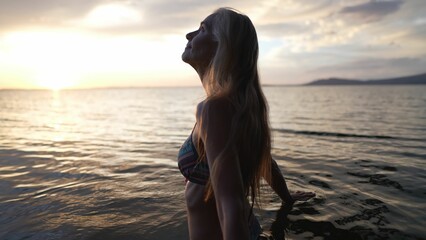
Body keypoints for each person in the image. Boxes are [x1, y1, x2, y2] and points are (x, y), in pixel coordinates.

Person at [177, 7, 315, 240]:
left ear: (224, 47)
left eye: (202, 29)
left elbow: (231, 205)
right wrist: (287, 198)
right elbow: (265, 161)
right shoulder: (233, 108)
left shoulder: (214, 109)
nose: (189, 35)